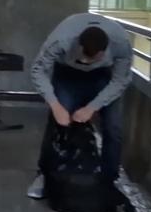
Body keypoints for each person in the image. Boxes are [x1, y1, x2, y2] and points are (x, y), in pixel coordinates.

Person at [26, 13, 133, 201]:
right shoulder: (61, 40)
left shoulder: (120, 43)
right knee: (58, 121)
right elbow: (38, 70)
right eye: (84, 56)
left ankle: (109, 180)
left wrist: (92, 108)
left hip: (102, 76)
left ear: (104, 52)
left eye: (92, 58)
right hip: (67, 74)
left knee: (113, 127)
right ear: (78, 45)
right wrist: (55, 104)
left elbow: (120, 80)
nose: (86, 62)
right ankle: (44, 174)